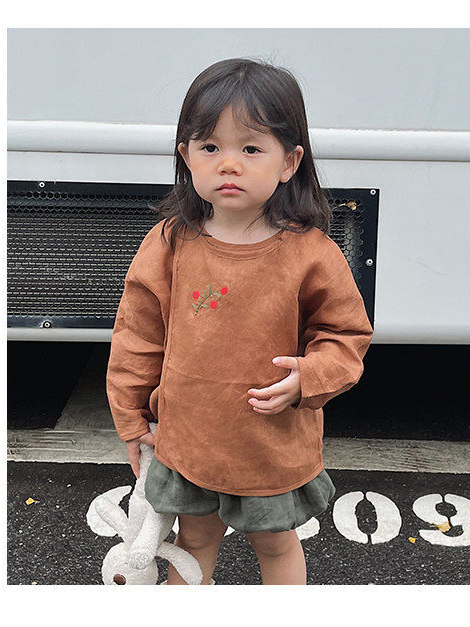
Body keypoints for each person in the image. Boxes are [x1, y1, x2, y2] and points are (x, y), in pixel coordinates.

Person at [106, 58, 373, 585]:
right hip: (189, 442)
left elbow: (345, 335)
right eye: (210, 147)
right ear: (186, 156)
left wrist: (308, 377)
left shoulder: (311, 253)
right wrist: (131, 419)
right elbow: (137, 336)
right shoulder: (169, 243)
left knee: (275, 544)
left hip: (269, 448)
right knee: (193, 541)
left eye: (251, 149)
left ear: (289, 162)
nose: (229, 164)